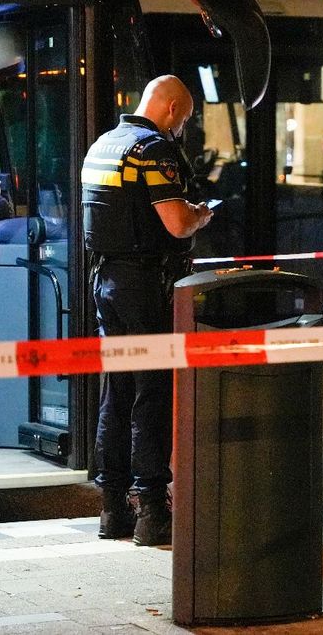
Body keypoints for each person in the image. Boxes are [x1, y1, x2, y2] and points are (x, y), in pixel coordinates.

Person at [82, 75, 214, 546]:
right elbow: (176, 223)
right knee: (150, 395)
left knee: (115, 394)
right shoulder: (153, 150)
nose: (183, 128)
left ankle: (112, 508)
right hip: (145, 286)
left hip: (106, 284)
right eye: (186, 118)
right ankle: (152, 509)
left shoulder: (103, 145)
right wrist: (201, 213)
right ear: (173, 108)